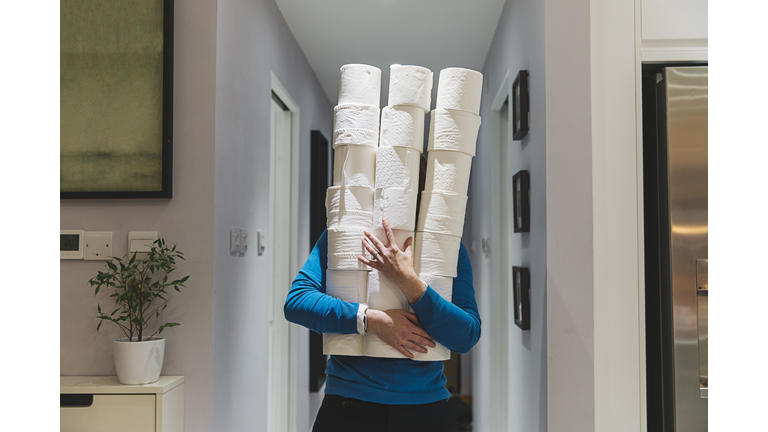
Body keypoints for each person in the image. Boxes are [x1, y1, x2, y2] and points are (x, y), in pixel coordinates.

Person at [284, 158, 480, 432]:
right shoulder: (343, 236)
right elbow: (297, 302)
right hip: (349, 406)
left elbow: (466, 335)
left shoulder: (446, 249)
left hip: (425, 409)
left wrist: (408, 282)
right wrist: (371, 320)